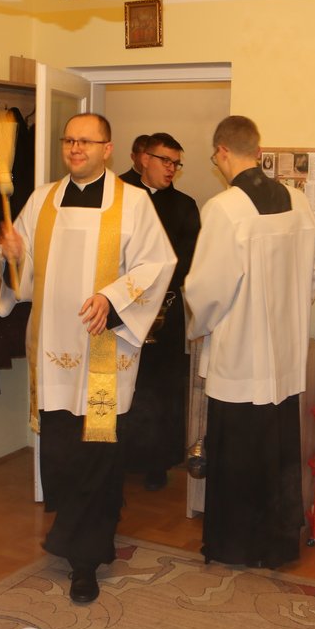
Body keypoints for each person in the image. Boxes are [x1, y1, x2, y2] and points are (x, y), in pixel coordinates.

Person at [0, 113, 176, 604]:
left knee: (97, 455)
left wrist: (111, 299)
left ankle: (86, 560)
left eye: (87, 141)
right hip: (56, 352)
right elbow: (22, 276)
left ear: (107, 148)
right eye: (69, 140)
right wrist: (12, 255)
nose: (76, 148)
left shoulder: (133, 203)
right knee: (60, 453)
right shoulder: (42, 201)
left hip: (103, 354)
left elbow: (158, 263)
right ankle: (73, 532)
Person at [184, 115, 315, 569]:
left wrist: (199, 324)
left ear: (223, 151)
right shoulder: (298, 202)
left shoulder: (224, 208)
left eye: (215, 158)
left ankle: (235, 546)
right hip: (284, 359)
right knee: (278, 456)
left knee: (238, 456)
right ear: (258, 151)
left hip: (240, 358)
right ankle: (278, 546)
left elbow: (208, 288)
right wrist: (288, 314)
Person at [118, 132, 201, 491]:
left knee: (163, 388)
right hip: (121, 307)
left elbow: (189, 259)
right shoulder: (116, 196)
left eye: (176, 163)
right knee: (126, 385)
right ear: (143, 158)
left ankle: (157, 463)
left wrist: (153, 287)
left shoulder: (184, 205)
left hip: (166, 308)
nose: (171, 169)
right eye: (165, 160)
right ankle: (119, 459)